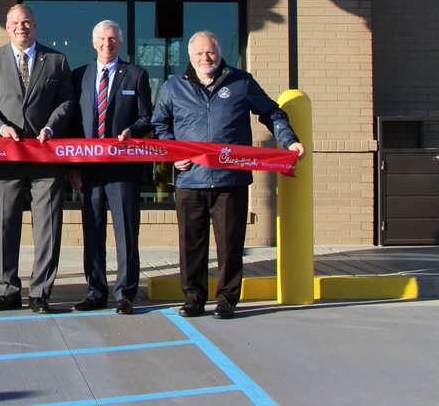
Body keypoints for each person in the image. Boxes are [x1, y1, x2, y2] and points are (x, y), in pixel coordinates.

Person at [151, 31, 306, 320]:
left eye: (209, 52)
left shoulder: (241, 82)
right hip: (190, 180)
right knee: (191, 245)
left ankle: (226, 300)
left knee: (230, 244)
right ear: (190, 56)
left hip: (230, 179)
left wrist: (289, 141)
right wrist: (172, 154)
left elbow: (272, 113)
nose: (204, 58)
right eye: (199, 53)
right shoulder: (174, 87)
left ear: (219, 53)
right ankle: (194, 299)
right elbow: (160, 124)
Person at [0, 4, 76, 314]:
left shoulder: (56, 61)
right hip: (6, 156)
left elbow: (67, 101)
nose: (22, 27)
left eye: (27, 22)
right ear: (7, 27)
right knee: (5, 225)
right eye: (16, 23)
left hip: (45, 157)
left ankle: (40, 293)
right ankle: (7, 291)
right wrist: (1, 127)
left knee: (47, 226)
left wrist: (50, 126)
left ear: (35, 25)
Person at [69, 20, 154, 316]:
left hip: (122, 168)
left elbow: (148, 119)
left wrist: (133, 131)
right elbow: (72, 125)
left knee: (126, 232)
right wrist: (73, 168)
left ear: (120, 43)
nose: (108, 43)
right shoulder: (79, 76)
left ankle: (126, 293)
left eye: (113, 39)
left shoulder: (136, 75)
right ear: (94, 43)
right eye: (103, 39)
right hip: (89, 168)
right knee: (92, 231)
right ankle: (95, 291)